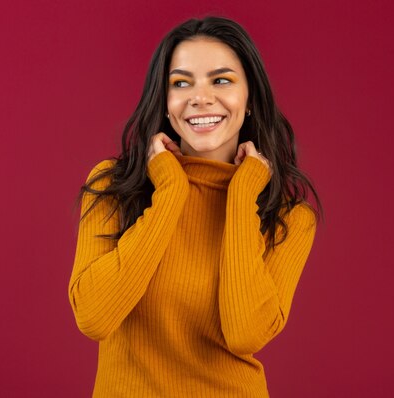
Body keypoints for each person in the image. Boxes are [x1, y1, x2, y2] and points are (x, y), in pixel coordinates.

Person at [68, 15, 323, 397]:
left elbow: (244, 333)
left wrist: (240, 196)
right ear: (166, 101)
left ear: (250, 97)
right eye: (181, 83)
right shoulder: (114, 185)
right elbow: (94, 317)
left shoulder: (288, 218)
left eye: (221, 80)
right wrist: (170, 190)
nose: (200, 97)